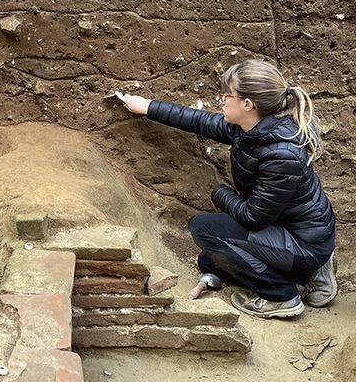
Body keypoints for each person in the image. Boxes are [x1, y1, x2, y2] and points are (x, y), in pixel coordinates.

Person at [121, 59, 337, 318]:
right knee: (209, 260)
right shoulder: (250, 128)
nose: (221, 100)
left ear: (248, 105)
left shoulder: (282, 154)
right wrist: (147, 107)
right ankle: (312, 272)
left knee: (204, 228)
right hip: (286, 230)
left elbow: (254, 219)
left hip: (304, 243)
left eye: (226, 95)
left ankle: (283, 296)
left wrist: (220, 195)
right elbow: (200, 121)